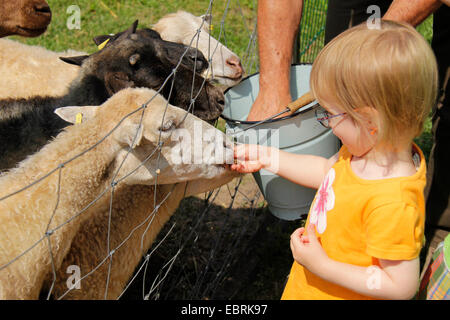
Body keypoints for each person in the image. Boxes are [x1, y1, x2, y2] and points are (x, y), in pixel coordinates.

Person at [250, 0, 450, 290]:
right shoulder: (364, 154)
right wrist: (268, 157)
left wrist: (322, 265)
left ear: (370, 122)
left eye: (331, 114)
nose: (328, 123)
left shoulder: (392, 202)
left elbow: (400, 286)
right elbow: (328, 173)